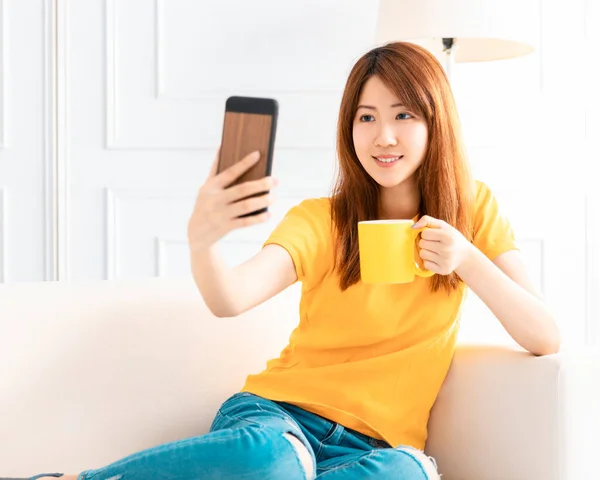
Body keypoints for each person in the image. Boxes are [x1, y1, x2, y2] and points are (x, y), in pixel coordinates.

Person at [24, 41, 560, 480]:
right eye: (366, 117)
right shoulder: (320, 220)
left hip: (375, 449)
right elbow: (230, 299)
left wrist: (466, 259)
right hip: (276, 419)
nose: (384, 136)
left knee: (406, 472)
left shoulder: (474, 209)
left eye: (404, 115)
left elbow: (543, 336)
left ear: (435, 123)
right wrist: (202, 241)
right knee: (276, 461)